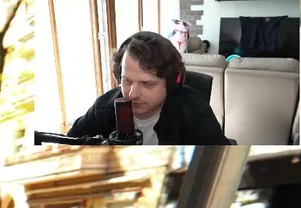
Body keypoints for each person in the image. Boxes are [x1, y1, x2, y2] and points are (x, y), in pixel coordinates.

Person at [68, 30, 230, 145]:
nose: (132, 94)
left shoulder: (194, 111)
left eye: (147, 84)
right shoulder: (103, 108)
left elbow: (224, 164)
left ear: (172, 83)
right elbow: (66, 147)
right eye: (127, 81)